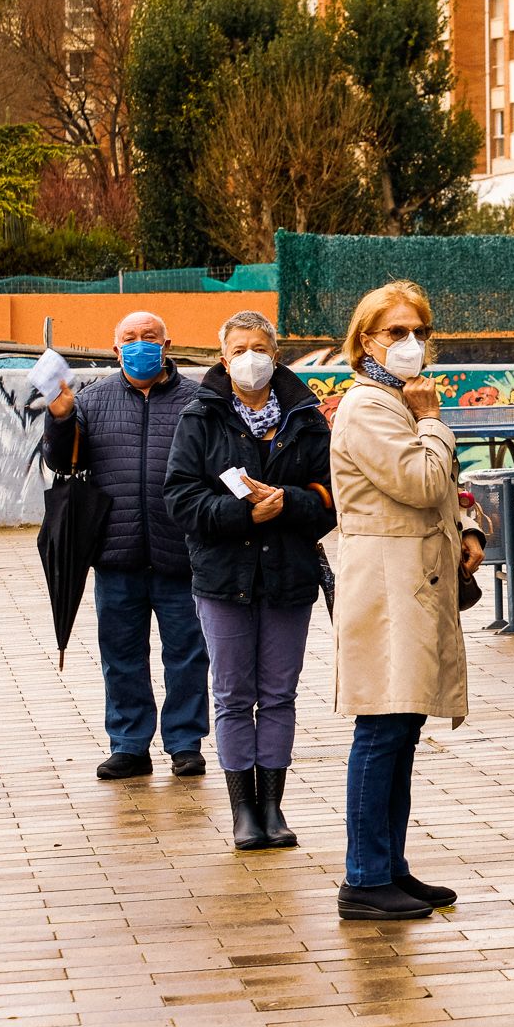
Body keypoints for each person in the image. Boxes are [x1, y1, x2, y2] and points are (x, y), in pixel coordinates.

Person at [327, 281, 486, 921]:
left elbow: (443, 481)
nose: (411, 343)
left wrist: (470, 525)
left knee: (404, 724)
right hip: (388, 581)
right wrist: (431, 421)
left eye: (419, 330)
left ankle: (389, 865)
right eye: (395, 332)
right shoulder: (370, 406)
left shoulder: (396, 401)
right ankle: (363, 879)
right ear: (365, 340)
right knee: (383, 724)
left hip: (415, 579)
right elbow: (421, 480)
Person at [164, 311, 336, 851]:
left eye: (260, 346)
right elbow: (180, 498)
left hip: (289, 573)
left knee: (279, 694)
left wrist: (290, 504)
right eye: (239, 348)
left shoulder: (307, 418)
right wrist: (241, 515)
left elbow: (333, 495)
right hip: (223, 577)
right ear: (223, 357)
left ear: (276, 354)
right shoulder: (200, 416)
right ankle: (243, 811)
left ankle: (273, 808)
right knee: (233, 694)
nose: (250, 357)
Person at [44, 311, 211, 781]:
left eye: (149, 337)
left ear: (167, 343)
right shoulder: (92, 401)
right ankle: (130, 744)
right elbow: (60, 462)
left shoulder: (198, 401)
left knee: (187, 653)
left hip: (181, 552)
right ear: (115, 350)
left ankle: (184, 743)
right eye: (130, 339)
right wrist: (58, 419)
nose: (141, 345)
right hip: (115, 554)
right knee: (121, 654)